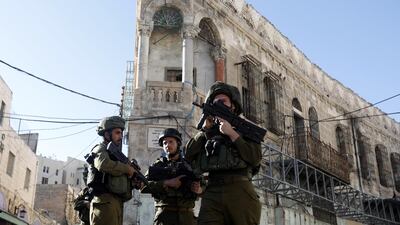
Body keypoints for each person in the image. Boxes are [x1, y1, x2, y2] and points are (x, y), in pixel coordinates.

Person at [185, 81, 262, 225]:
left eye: (223, 101)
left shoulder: (246, 129)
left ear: (233, 106)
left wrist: (232, 134)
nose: (218, 104)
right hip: (212, 190)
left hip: (239, 189)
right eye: (215, 102)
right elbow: (188, 155)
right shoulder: (208, 132)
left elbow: (255, 158)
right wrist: (204, 131)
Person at [141, 128, 202, 225]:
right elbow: (143, 185)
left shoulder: (189, 165)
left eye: (171, 142)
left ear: (178, 143)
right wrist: (166, 183)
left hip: (187, 215)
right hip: (165, 215)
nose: (167, 145)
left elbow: (205, 185)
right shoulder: (157, 166)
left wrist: (199, 190)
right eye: (164, 143)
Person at [86, 116, 136, 225]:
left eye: (121, 133)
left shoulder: (116, 155)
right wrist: (127, 169)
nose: (121, 136)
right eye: (117, 133)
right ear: (107, 134)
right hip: (103, 203)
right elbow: (103, 164)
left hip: (116, 203)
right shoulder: (100, 148)